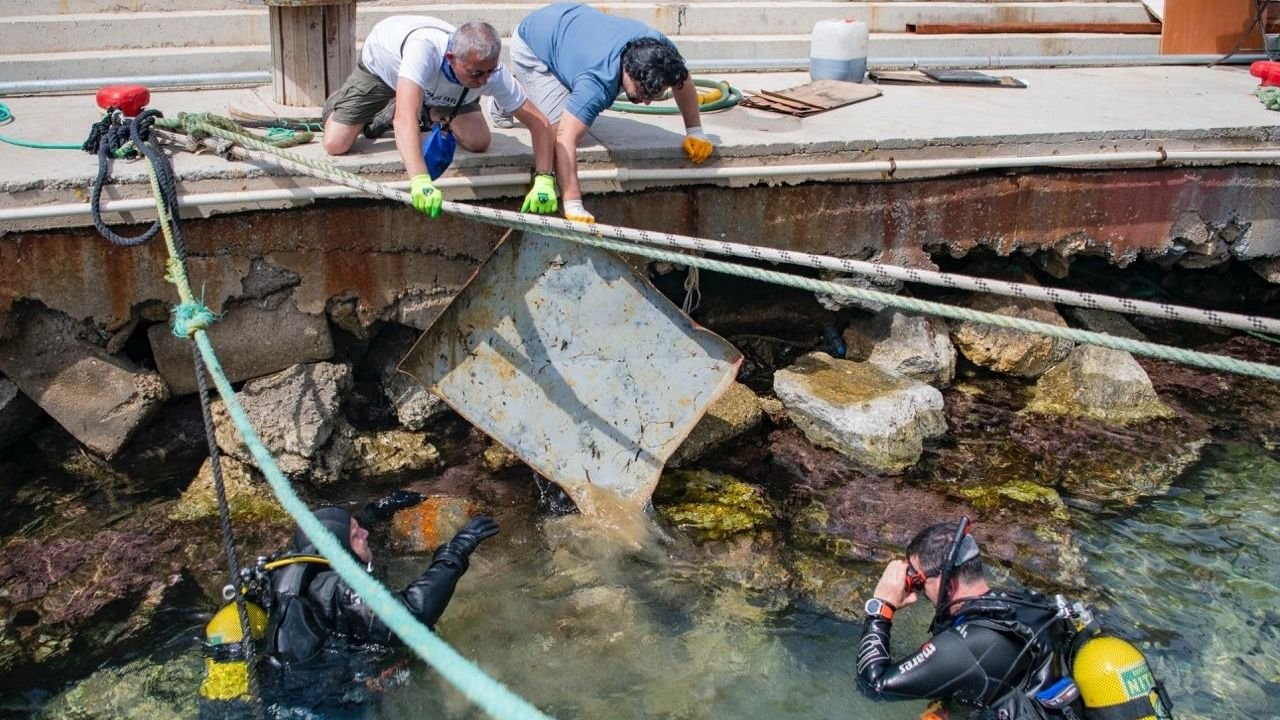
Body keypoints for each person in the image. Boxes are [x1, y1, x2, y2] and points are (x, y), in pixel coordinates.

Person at [259, 503, 499, 714]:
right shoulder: (341, 588)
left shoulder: (289, 570)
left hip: (279, 684)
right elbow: (412, 614)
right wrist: (455, 551)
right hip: (326, 702)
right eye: (356, 534)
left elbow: (337, 535)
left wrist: (376, 512)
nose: (364, 534)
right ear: (341, 547)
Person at [493, 2, 716, 224]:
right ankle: (508, 95)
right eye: (642, 92)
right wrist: (573, 204)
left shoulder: (661, 51)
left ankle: (525, 93)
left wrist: (695, 131)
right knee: (553, 132)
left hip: (571, 26)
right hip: (533, 42)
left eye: (655, 94)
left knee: (572, 108)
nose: (647, 102)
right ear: (628, 71)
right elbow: (565, 138)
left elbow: (682, 81)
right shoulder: (597, 82)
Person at [321, 17, 559, 219]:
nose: (484, 81)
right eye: (477, 73)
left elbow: (539, 122)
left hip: (442, 88)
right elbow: (405, 120)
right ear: (451, 58)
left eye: (490, 71)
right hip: (385, 71)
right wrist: (420, 181)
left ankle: (426, 105)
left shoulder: (492, 74)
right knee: (336, 143)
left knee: (478, 141)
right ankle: (354, 102)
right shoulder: (423, 50)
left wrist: (544, 178)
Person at [856, 519, 1085, 720]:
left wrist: (881, 608)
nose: (919, 592)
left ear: (949, 583)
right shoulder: (1026, 605)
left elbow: (873, 684)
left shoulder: (965, 646)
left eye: (919, 582)